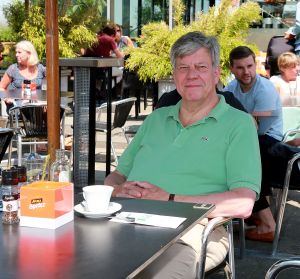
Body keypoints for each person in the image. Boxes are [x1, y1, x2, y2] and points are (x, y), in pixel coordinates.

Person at [104, 31, 261, 278]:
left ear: (216, 73)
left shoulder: (238, 124)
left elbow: (242, 203)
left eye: (200, 66)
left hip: (191, 231)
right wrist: (116, 190)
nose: (191, 75)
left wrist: (169, 198)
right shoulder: (156, 119)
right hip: (125, 221)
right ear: (174, 75)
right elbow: (117, 175)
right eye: (183, 67)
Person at [224, 46, 283, 242]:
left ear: (255, 64)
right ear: (231, 68)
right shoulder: (231, 89)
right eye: (240, 67)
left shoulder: (264, 89)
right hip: (248, 139)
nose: (246, 71)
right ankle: (252, 214)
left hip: (270, 140)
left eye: (250, 65)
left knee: (242, 162)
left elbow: (253, 127)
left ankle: (267, 223)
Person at [0, 40, 46, 112]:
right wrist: (7, 98)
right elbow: (1, 87)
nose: (16, 55)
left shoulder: (40, 68)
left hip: (36, 108)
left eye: (19, 52)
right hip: (17, 108)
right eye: (16, 52)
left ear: (29, 53)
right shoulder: (13, 69)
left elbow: (52, 85)